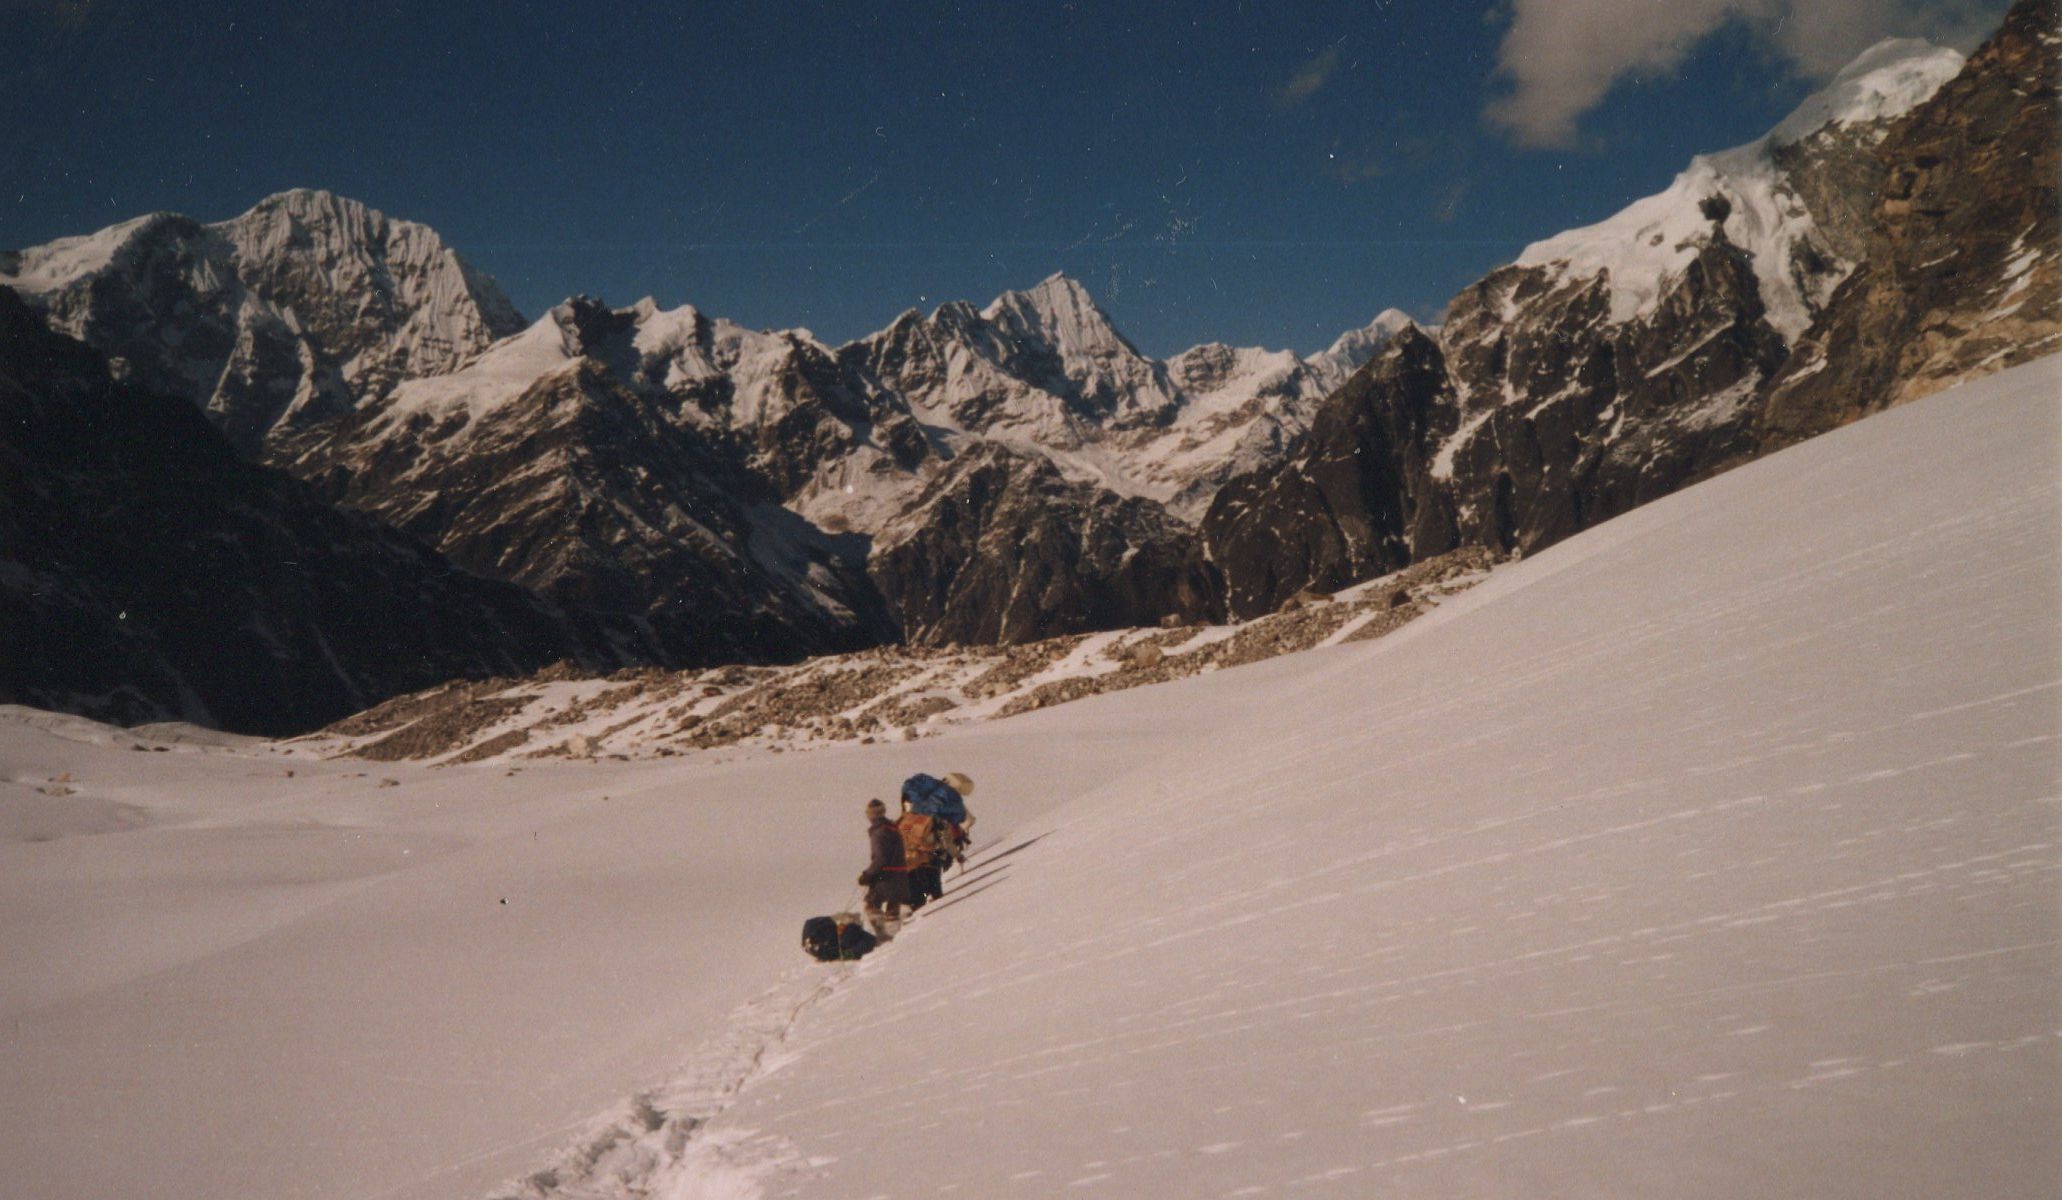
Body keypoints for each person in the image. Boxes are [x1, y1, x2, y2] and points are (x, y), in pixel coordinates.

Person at [857, 798, 909, 939]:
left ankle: (883, 937)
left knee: (871, 905)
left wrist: (867, 874)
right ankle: (896, 938)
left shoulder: (878, 832)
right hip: (900, 875)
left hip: (886, 878)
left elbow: (880, 858)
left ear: (872, 815)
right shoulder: (892, 828)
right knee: (893, 910)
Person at [898, 798, 946, 910]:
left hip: (912, 863)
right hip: (922, 862)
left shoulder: (908, 820)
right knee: (933, 894)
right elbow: (915, 840)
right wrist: (931, 849)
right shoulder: (920, 821)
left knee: (919, 895)